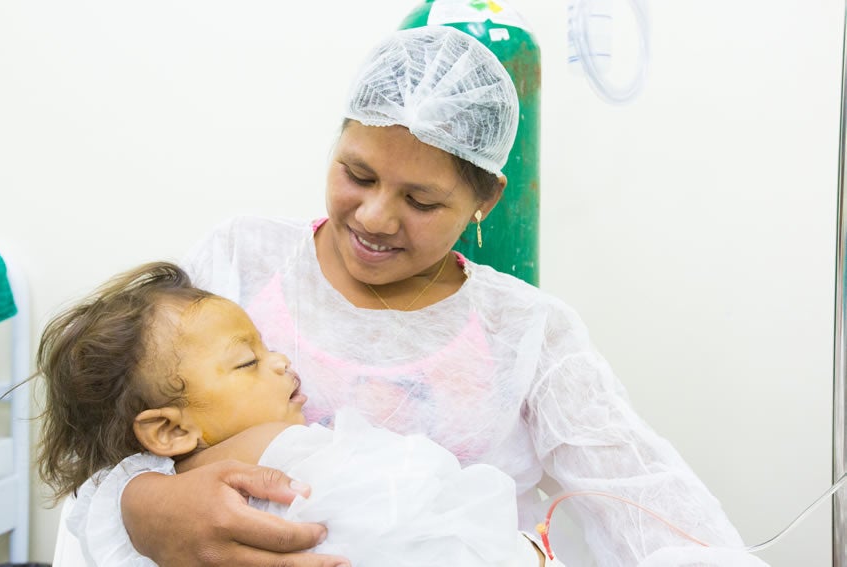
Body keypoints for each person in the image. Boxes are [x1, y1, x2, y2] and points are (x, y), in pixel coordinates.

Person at [76, 25, 764, 566]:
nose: (375, 216)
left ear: (483, 200)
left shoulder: (528, 333)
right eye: (357, 172)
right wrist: (144, 502)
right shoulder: (239, 261)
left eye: (422, 199)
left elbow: (656, 515)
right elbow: (113, 431)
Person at [35, 261, 546, 567]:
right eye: (247, 361)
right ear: (170, 428)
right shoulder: (281, 460)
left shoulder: (131, 502)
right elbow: (414, 505)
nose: (280, 360)